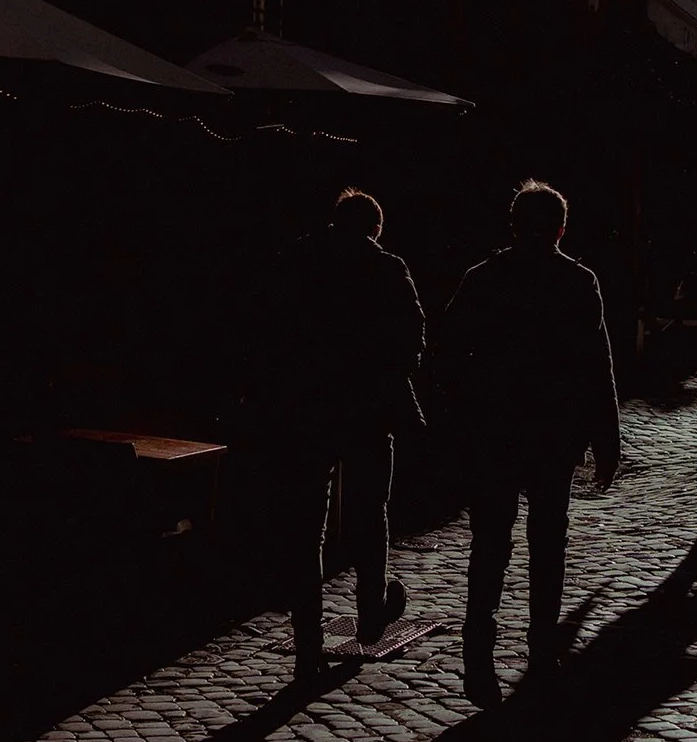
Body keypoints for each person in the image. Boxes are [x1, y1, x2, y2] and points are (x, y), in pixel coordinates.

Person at [434, 179, 621, 707]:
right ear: (562, 228)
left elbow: (447, 353)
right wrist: (606, 438)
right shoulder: (577, 281)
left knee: (490, 543)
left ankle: (479, 655)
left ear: (514, 224)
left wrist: (464, 412)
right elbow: (596, 364)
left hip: (493, 431)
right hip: (552, 432)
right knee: (547, 541)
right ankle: (541, 650)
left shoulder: (484, 279)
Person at [260, 188, 426, 678]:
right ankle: (371, 614)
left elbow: (271, 331)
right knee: (370, 513)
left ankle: (308, 640)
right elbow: (413, 339)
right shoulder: (389, 269)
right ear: (375, 229)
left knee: (307, 526)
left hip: (307, 410)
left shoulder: (298, 261)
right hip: (370, 411)